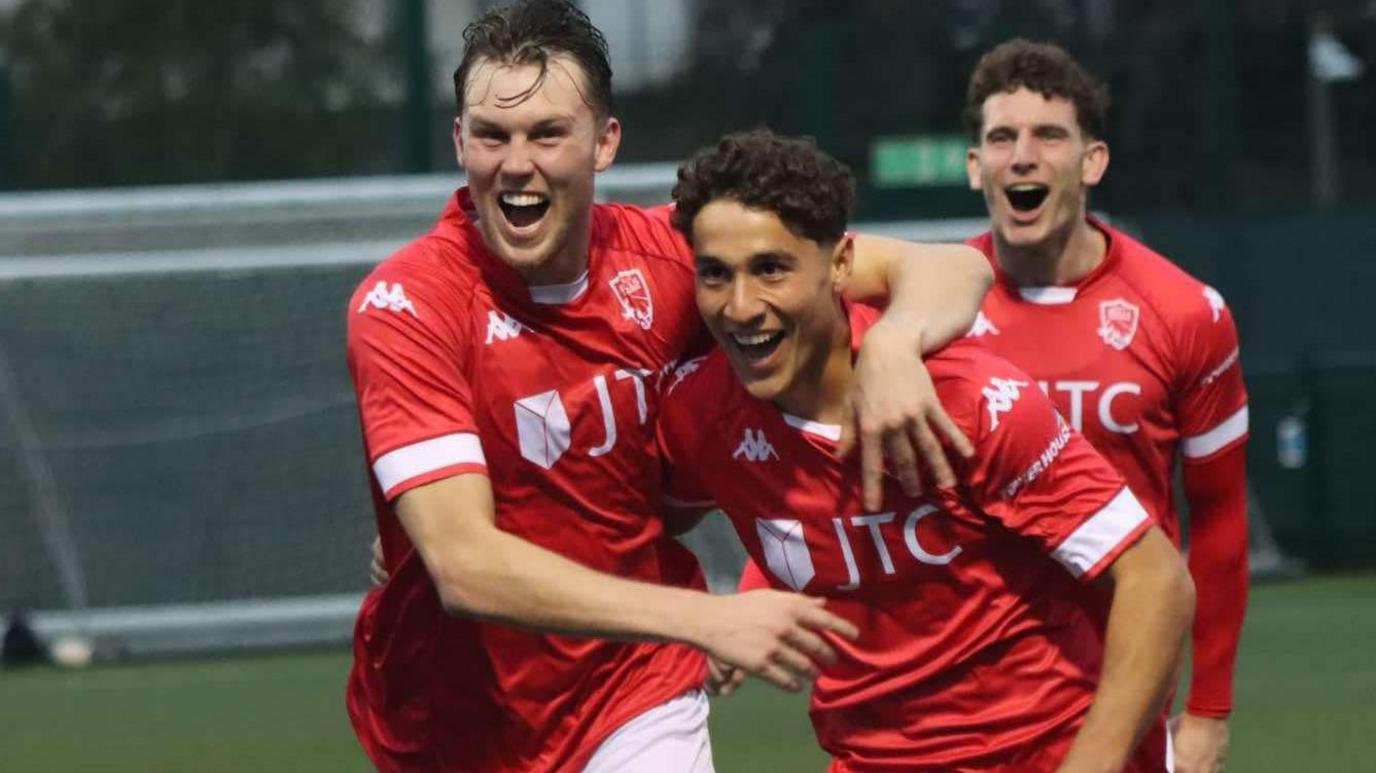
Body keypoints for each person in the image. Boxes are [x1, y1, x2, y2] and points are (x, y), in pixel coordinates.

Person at [344, 1, 991, 770]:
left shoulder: (678, 258)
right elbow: (463, 565)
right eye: (492, 135)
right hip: (447, 720)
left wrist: (893, 341)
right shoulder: (407, 303)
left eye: (549, 133)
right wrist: (704, 618)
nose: (517, 162)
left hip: (633, 693)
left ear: (604, 142)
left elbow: (953, 265)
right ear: (459, 142)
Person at [659, 128, 1194, 772]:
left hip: (1045, 747)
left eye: (771, 269)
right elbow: (632, 524)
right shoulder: (696, 412)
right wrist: (700, 617)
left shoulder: (967, 398)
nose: (740, 306)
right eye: (715, 275)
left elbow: (1157, 580)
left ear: (840, 265)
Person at [958, 39, 1250, 773]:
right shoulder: (927, 312)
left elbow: (1218, 521)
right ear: (974, 167)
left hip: (1123, 688)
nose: (1022, 156)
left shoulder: (1185, 313)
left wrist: (1209, 711)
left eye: (1049, 135)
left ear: (1093, 161)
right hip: (963, 697)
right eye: (1001, 137)